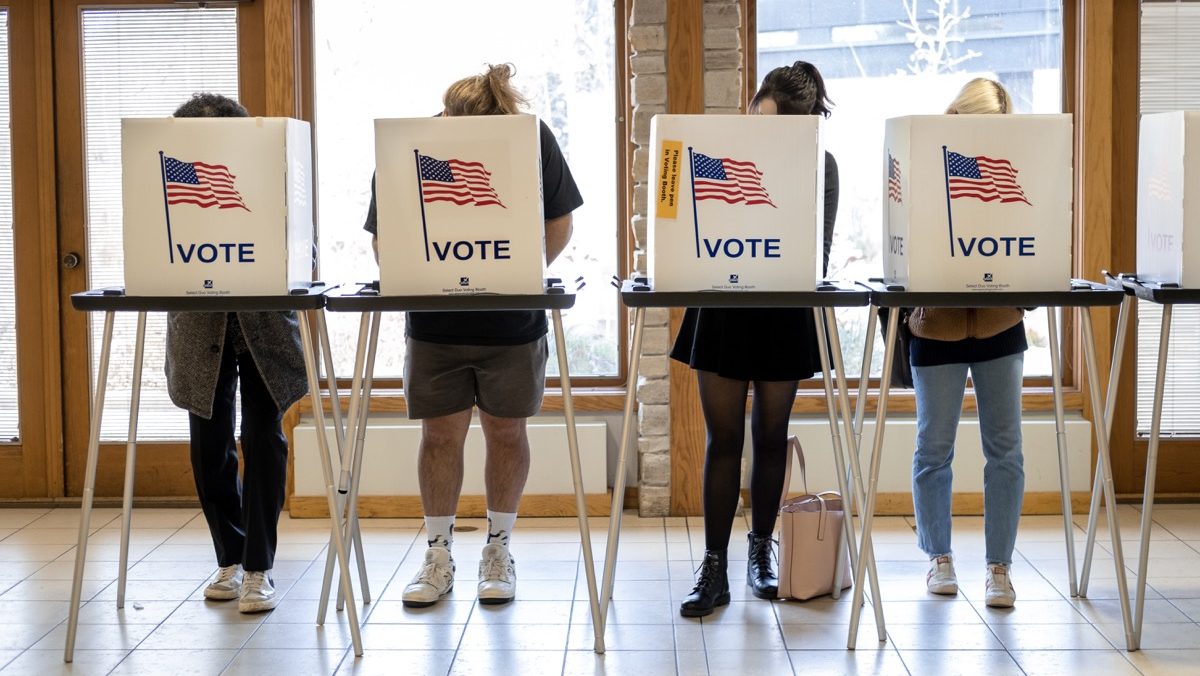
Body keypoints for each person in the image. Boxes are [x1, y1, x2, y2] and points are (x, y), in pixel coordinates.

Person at [363, 64, 582, 608]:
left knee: (507, 432)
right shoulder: (413, 145)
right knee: (440, 436)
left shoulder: (531, 138)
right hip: (435, 324)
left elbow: (560, 221)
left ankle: (499, 549)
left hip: (513, 323)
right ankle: (437, 553)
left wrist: (513, 277)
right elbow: (383, 235)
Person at [669, 61, 840, 617]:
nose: (757, 131)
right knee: (723, 441)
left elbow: (819, 253)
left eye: (770, 125)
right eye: (753, 118)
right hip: (721, 308)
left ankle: (760, 553)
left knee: (771, 437)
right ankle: (713, 567)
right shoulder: (720, 155)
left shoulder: (822, 165)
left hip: (783, 312)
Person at [165, 93, 307, 613]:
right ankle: (228, 557)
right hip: (198, 324)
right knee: (209, 444)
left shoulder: (273, 171)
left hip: (264, 322)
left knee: (263, 438)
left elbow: (304, 246)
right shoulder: (169, 175)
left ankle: (258, 567)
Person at [910, 77, 1025, 608]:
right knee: (935, 447)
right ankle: (939, 557)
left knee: (1005, 450)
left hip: (1000, 322)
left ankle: (999, 568)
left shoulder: (1015, 170)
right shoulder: (924, 163)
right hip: (937, 325)